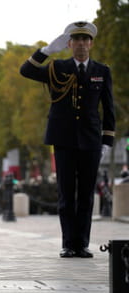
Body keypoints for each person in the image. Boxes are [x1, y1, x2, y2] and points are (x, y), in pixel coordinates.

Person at [20, 21, 115, 258]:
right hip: (63, 139)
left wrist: (107, 141)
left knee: (85, 194)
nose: (81, 44)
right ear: (69, 44)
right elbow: (26, 70)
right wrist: (45, 51)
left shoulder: (102, 71)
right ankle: (68, 244)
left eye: (85, 40)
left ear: (91, 43)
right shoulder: (57, 67)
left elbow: (109, 108)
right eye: (77, 40)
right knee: (66, 193)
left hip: (91, 140)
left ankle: (82, 244)